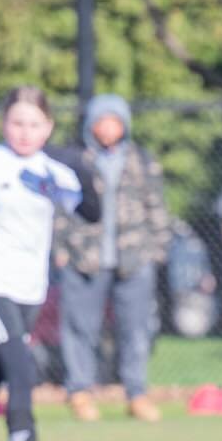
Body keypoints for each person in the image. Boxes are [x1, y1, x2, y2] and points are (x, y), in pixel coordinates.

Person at [0, 87, 100, 441]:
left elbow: (91, 212)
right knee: (22, 374)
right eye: (16, 123)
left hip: (30, 291)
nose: (24, 132)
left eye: (34, 124)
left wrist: (80, 168)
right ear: (4, 123)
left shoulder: (51, 170)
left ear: (48, 127)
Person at [56, 93, 172, 423]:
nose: (108, 129)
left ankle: (136, 394)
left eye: (115, 122)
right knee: (80, 327)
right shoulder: (75, 159)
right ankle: (79, 392)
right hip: (84, 258)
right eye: (102, 122)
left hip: (133, 258)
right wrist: (62, 250)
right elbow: (60, 209)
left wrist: (157, 249)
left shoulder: (142, 160)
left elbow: (156, 207)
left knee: (136, 330)